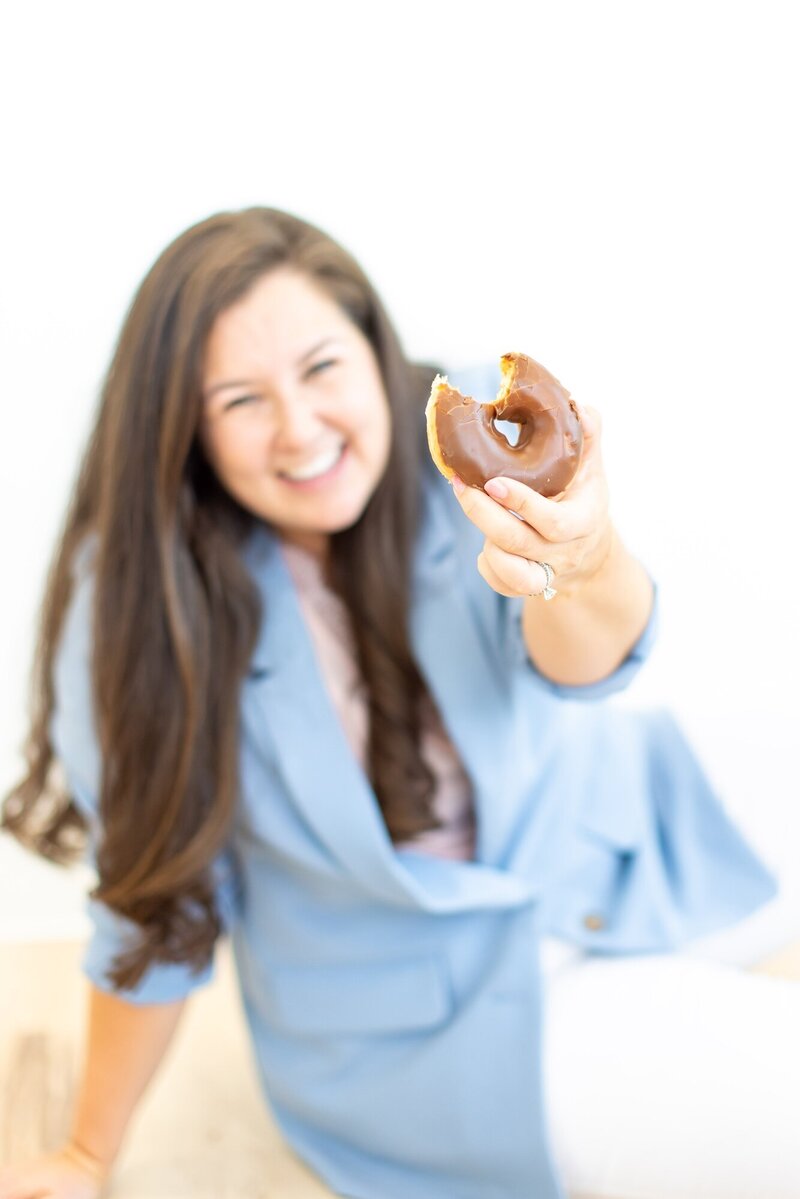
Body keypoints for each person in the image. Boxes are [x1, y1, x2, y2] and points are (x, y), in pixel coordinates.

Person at [0, 207, 796, 1199]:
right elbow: (157, 902)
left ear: (374, 350)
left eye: (322, 368)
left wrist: (582, 560)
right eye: (240, 398)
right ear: (185, 430)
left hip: (617, 837)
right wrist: (85, 1153)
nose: (300, 429)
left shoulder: (461, 448)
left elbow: (583, 663)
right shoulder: (138, 611)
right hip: (447, 1017)